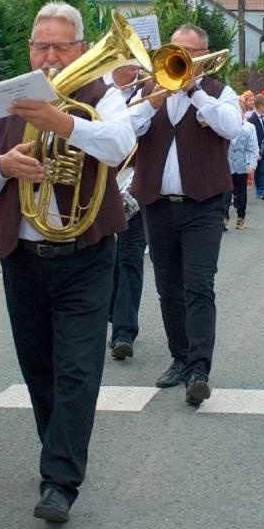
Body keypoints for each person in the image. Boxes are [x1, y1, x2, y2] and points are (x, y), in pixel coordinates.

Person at [0, 2, 136, 525]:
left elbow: (120, 145)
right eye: (40, 46)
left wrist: (62, 123)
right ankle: (57, 449)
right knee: (38, 366)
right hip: (21, 251)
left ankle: (61, 479)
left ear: (81, 49)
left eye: (60, 47)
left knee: (77, 368)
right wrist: (2, 165)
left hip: (86, 251)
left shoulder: (104, 94)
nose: (49, 57)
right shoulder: (7, 98)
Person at [129, 24, 242, 406]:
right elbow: (124, 132)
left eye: (190, 52)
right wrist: (153, 101)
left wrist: (193, 90)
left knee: (198, 286)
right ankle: (179, 358)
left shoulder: (218, 92)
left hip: (203, 204)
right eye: (177, 50)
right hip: (157, 204)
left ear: (204, 58)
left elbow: (232, 127)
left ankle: (198, 369)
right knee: (167, 288)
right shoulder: (148, 92)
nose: (182, 58)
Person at [107, 64, 147, 362]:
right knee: (102, 259)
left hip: (135, 185)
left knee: (129, 257)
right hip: (99, 187)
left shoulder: (151, 91)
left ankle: (123, 331)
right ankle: (109, 315)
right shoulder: (100, 90)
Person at [228, 94, 259, 229]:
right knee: (226, 192)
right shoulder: (225, 127)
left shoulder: (249, 128)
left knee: (241, 192)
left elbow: (253, 148)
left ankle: (241, 217)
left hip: (242, 164)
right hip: (227, 165)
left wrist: (251, 164)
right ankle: (224, 217)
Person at [248, 93, 264, 199]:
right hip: (256, 149)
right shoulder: (252, 119)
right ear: (260, 106)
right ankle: (259, 189)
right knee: (258, 170)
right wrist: (255, 151)